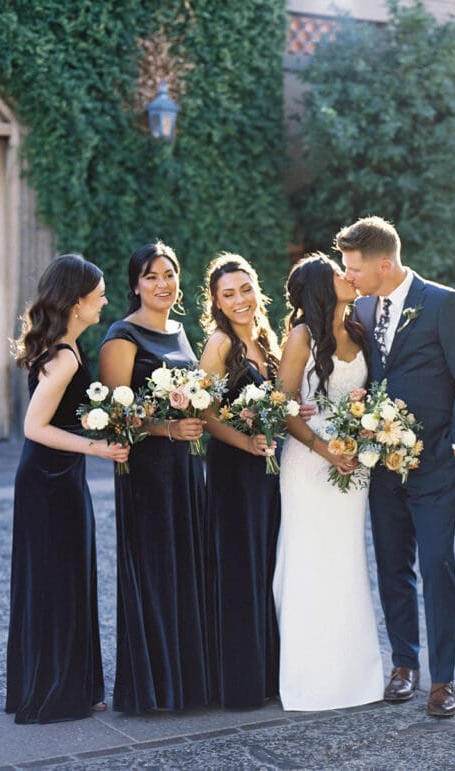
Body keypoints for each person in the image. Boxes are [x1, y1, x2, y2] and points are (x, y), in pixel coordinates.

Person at [340, 216, 455, 718]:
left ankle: (443, 680)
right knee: (391, 565)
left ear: (385, 263)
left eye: (355, 267)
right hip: (381, 464)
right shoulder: (358, 308)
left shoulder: (444, 303)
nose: (349, 276)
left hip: (435, 462)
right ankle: (405, 665)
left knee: (439, 564)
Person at [6, 254, 128, 724]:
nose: (104, 299)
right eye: (98, 293)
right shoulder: (64, 357)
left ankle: (66, 684)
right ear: (77, 302)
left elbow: (62, 418)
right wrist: (95, 449)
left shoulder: (65, 348)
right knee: (59, 580)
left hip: (56, 475)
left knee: (65, 577)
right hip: (49, 480)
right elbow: (34, 426)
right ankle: (58, 691)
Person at [99, 241, 208, 714]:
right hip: (145, 471)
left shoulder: (183, 332)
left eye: (169, 274)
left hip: (185, 468)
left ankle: (187, 682)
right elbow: (114, 417)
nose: (162, 284)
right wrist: (166, 427)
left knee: (187, 566)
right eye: (151, 276)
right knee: (156, 569)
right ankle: (153, 688)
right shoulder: (122, 336)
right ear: (135, 284)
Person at [272, 253, 383, 711]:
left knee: (347, 559)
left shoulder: (358, 328)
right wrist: (326, 450)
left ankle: (352, 674)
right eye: (340, 274)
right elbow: (282, 406)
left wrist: (366, 436)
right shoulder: (301, 336)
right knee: (310, 560)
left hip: (353, 467)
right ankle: (309, 676)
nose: (349, 276)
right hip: (310, 462)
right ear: (321, 286)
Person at [198, 253, 282, 709]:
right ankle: (239, 684)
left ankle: (268, 673)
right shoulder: (220, 344)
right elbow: (204, 414)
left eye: (245, 289)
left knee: (265, 566)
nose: (240, 299)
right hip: (233, 469)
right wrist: (245, 442)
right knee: (238, 570)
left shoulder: (268, 339)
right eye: (228, 294)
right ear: (215, 302)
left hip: (266, 472)